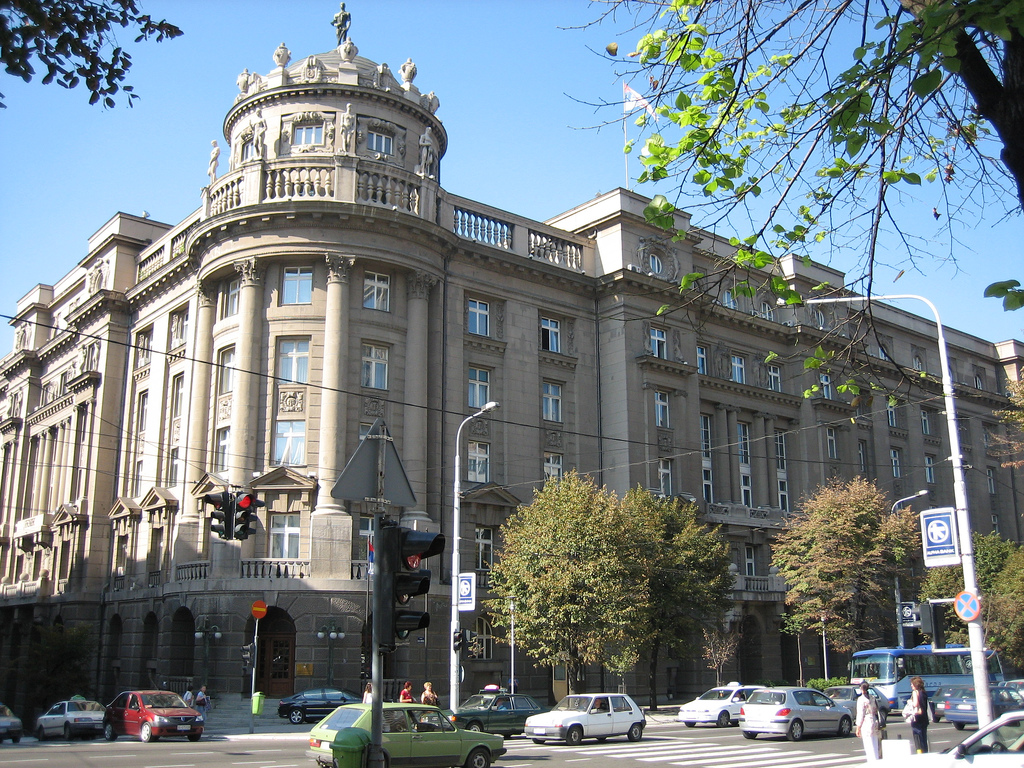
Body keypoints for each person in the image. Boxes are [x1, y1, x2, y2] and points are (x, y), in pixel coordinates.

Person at [855, 682, 882, 761]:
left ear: (861, 688)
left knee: (868, 743)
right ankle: (876, 759)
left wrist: (858, 727)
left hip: (866, 721)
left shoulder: (861, 699)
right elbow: (877, 709)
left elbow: (860, 714)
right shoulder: (872, 697)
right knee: (875, 742)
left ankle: (871, 761)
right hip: (874, 720)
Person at [909, 675, 929, 753]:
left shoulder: (915, 692)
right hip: (924, 718)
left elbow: (915, 704)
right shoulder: (923, 693)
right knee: (923, 738)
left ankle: (920, 754)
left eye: (912, 684)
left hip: (917, 718)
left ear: (915, 685)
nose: (911, 686)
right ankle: (925, 753)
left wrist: (910, 702)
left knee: (918, 739)